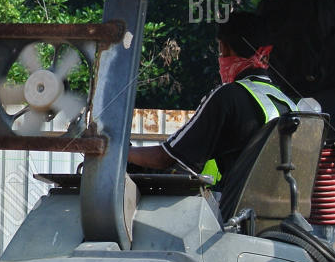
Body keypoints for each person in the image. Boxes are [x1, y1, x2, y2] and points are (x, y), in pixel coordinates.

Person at [127, 11, 296, 183]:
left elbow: (164, 158)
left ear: (223, 47)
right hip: (281, 205)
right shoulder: (288, 103)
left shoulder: (227, 97)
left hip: (234, 207)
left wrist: (123, 152)